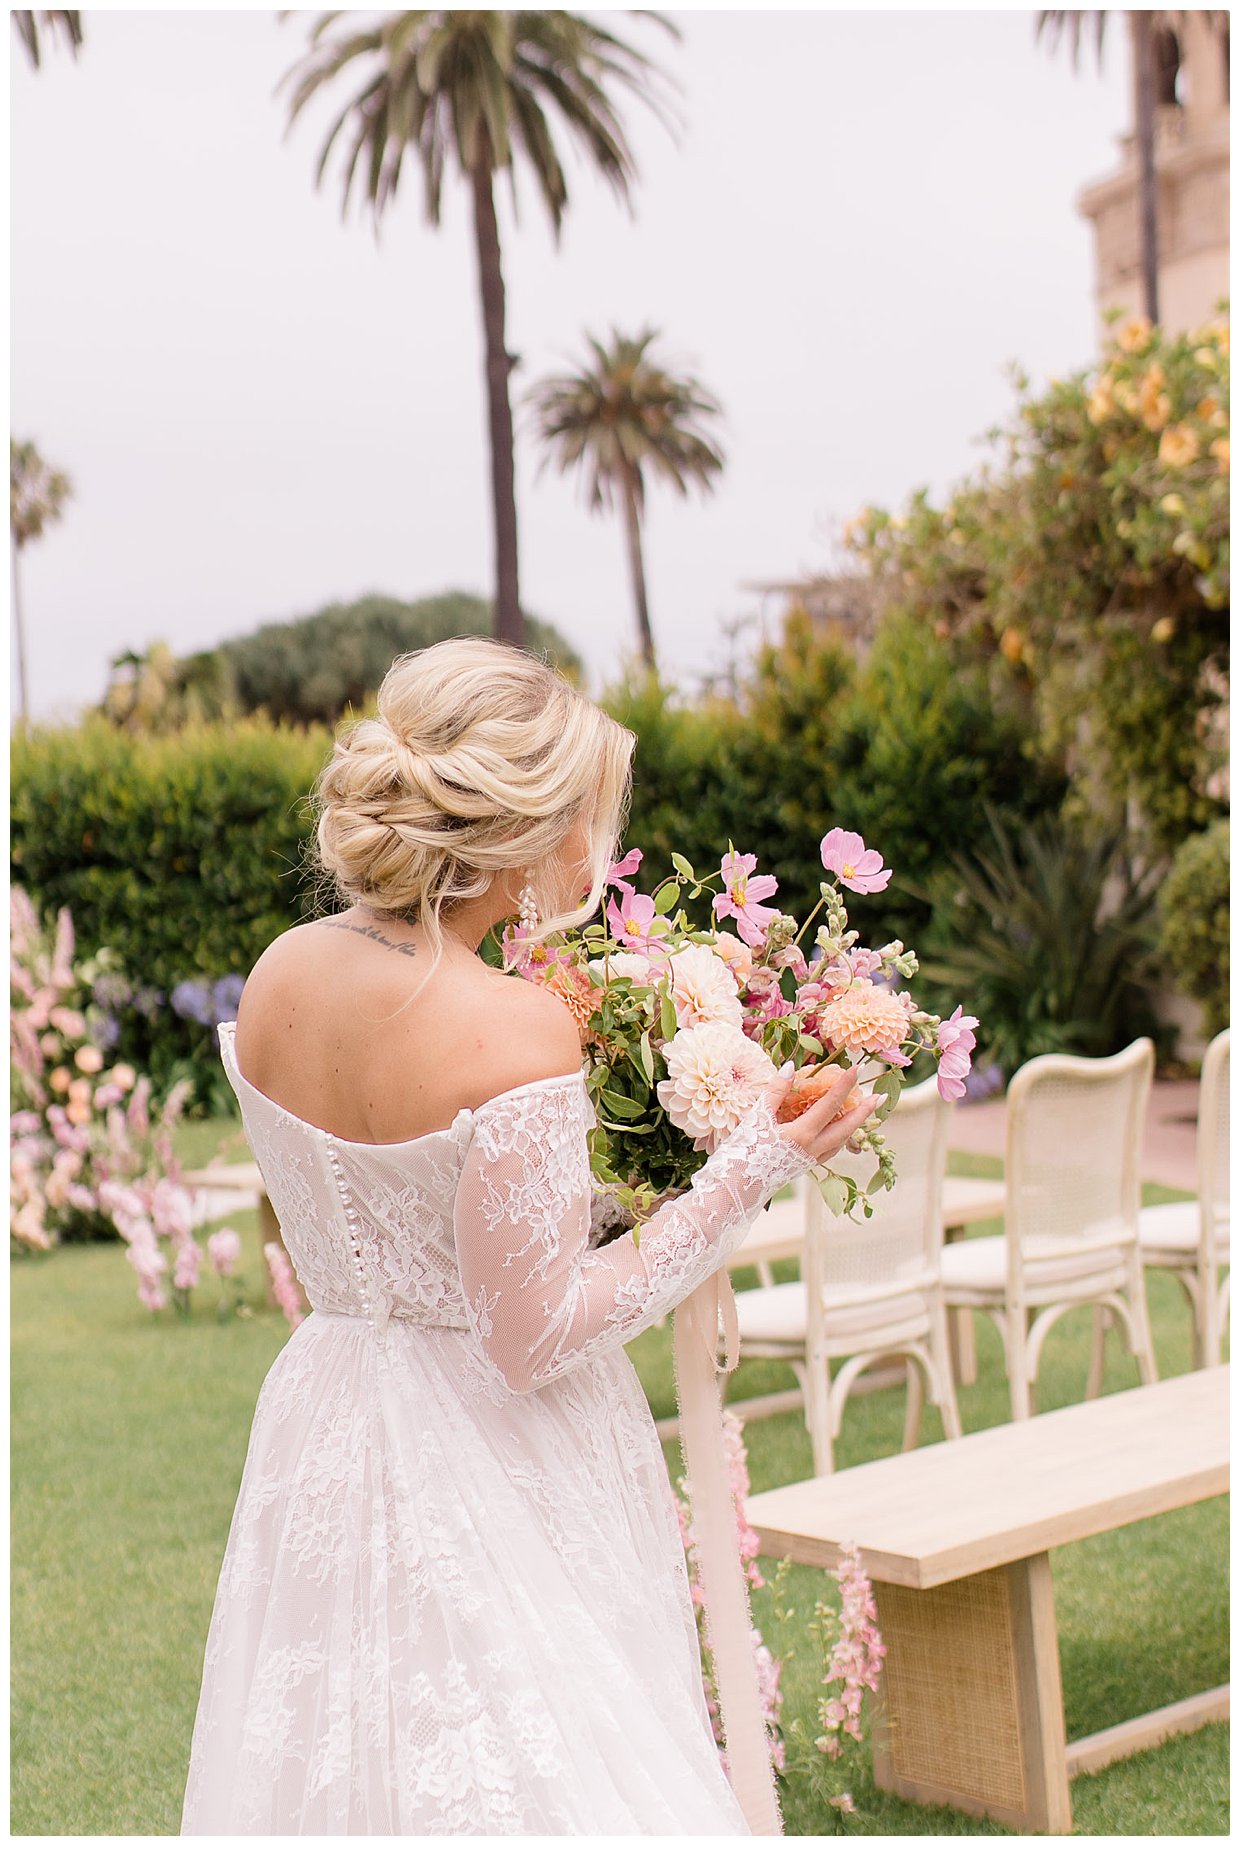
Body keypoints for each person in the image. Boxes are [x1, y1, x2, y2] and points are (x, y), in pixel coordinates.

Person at [179, 637, 878, 1835]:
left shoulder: (279, 974)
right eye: (583, 818)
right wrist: (749, 1163)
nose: (588, 854)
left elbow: (391, 1225)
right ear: (520, 827)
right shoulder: (512, 1031)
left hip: (328, 1415)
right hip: (497, 1455)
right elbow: (533, 1330)